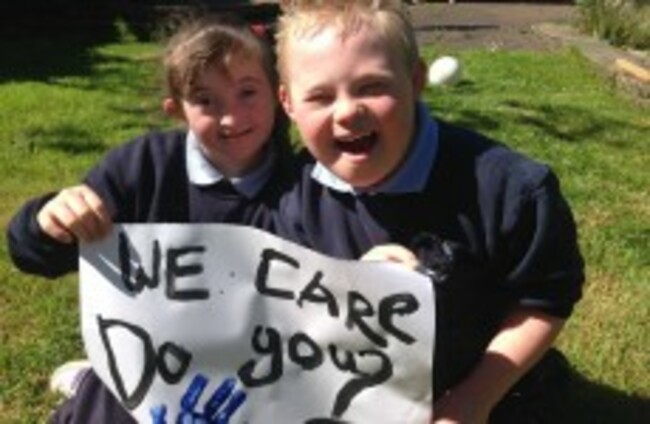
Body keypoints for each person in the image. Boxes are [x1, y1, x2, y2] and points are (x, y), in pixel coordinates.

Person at [274, 1, 584, 422]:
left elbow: (545, 300)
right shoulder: (293, 195)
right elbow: (289, 309)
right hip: (366, 389)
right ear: (289, 103)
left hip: (493, 389)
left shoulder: (510, 190)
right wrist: (349, 286)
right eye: (320, 96)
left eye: (371, 87)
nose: (347, 111)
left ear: (416, 80)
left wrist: (474, 399)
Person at [6, 13, 294, 423]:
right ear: (176, 110)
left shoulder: (303, 188)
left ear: (279, 96)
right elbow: (34, 254)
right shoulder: (142, 168)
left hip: (249, 383)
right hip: (142, 371)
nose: (231, 116)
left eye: (247, 92)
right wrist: (47, 223)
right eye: (205, 101)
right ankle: (89, 381)